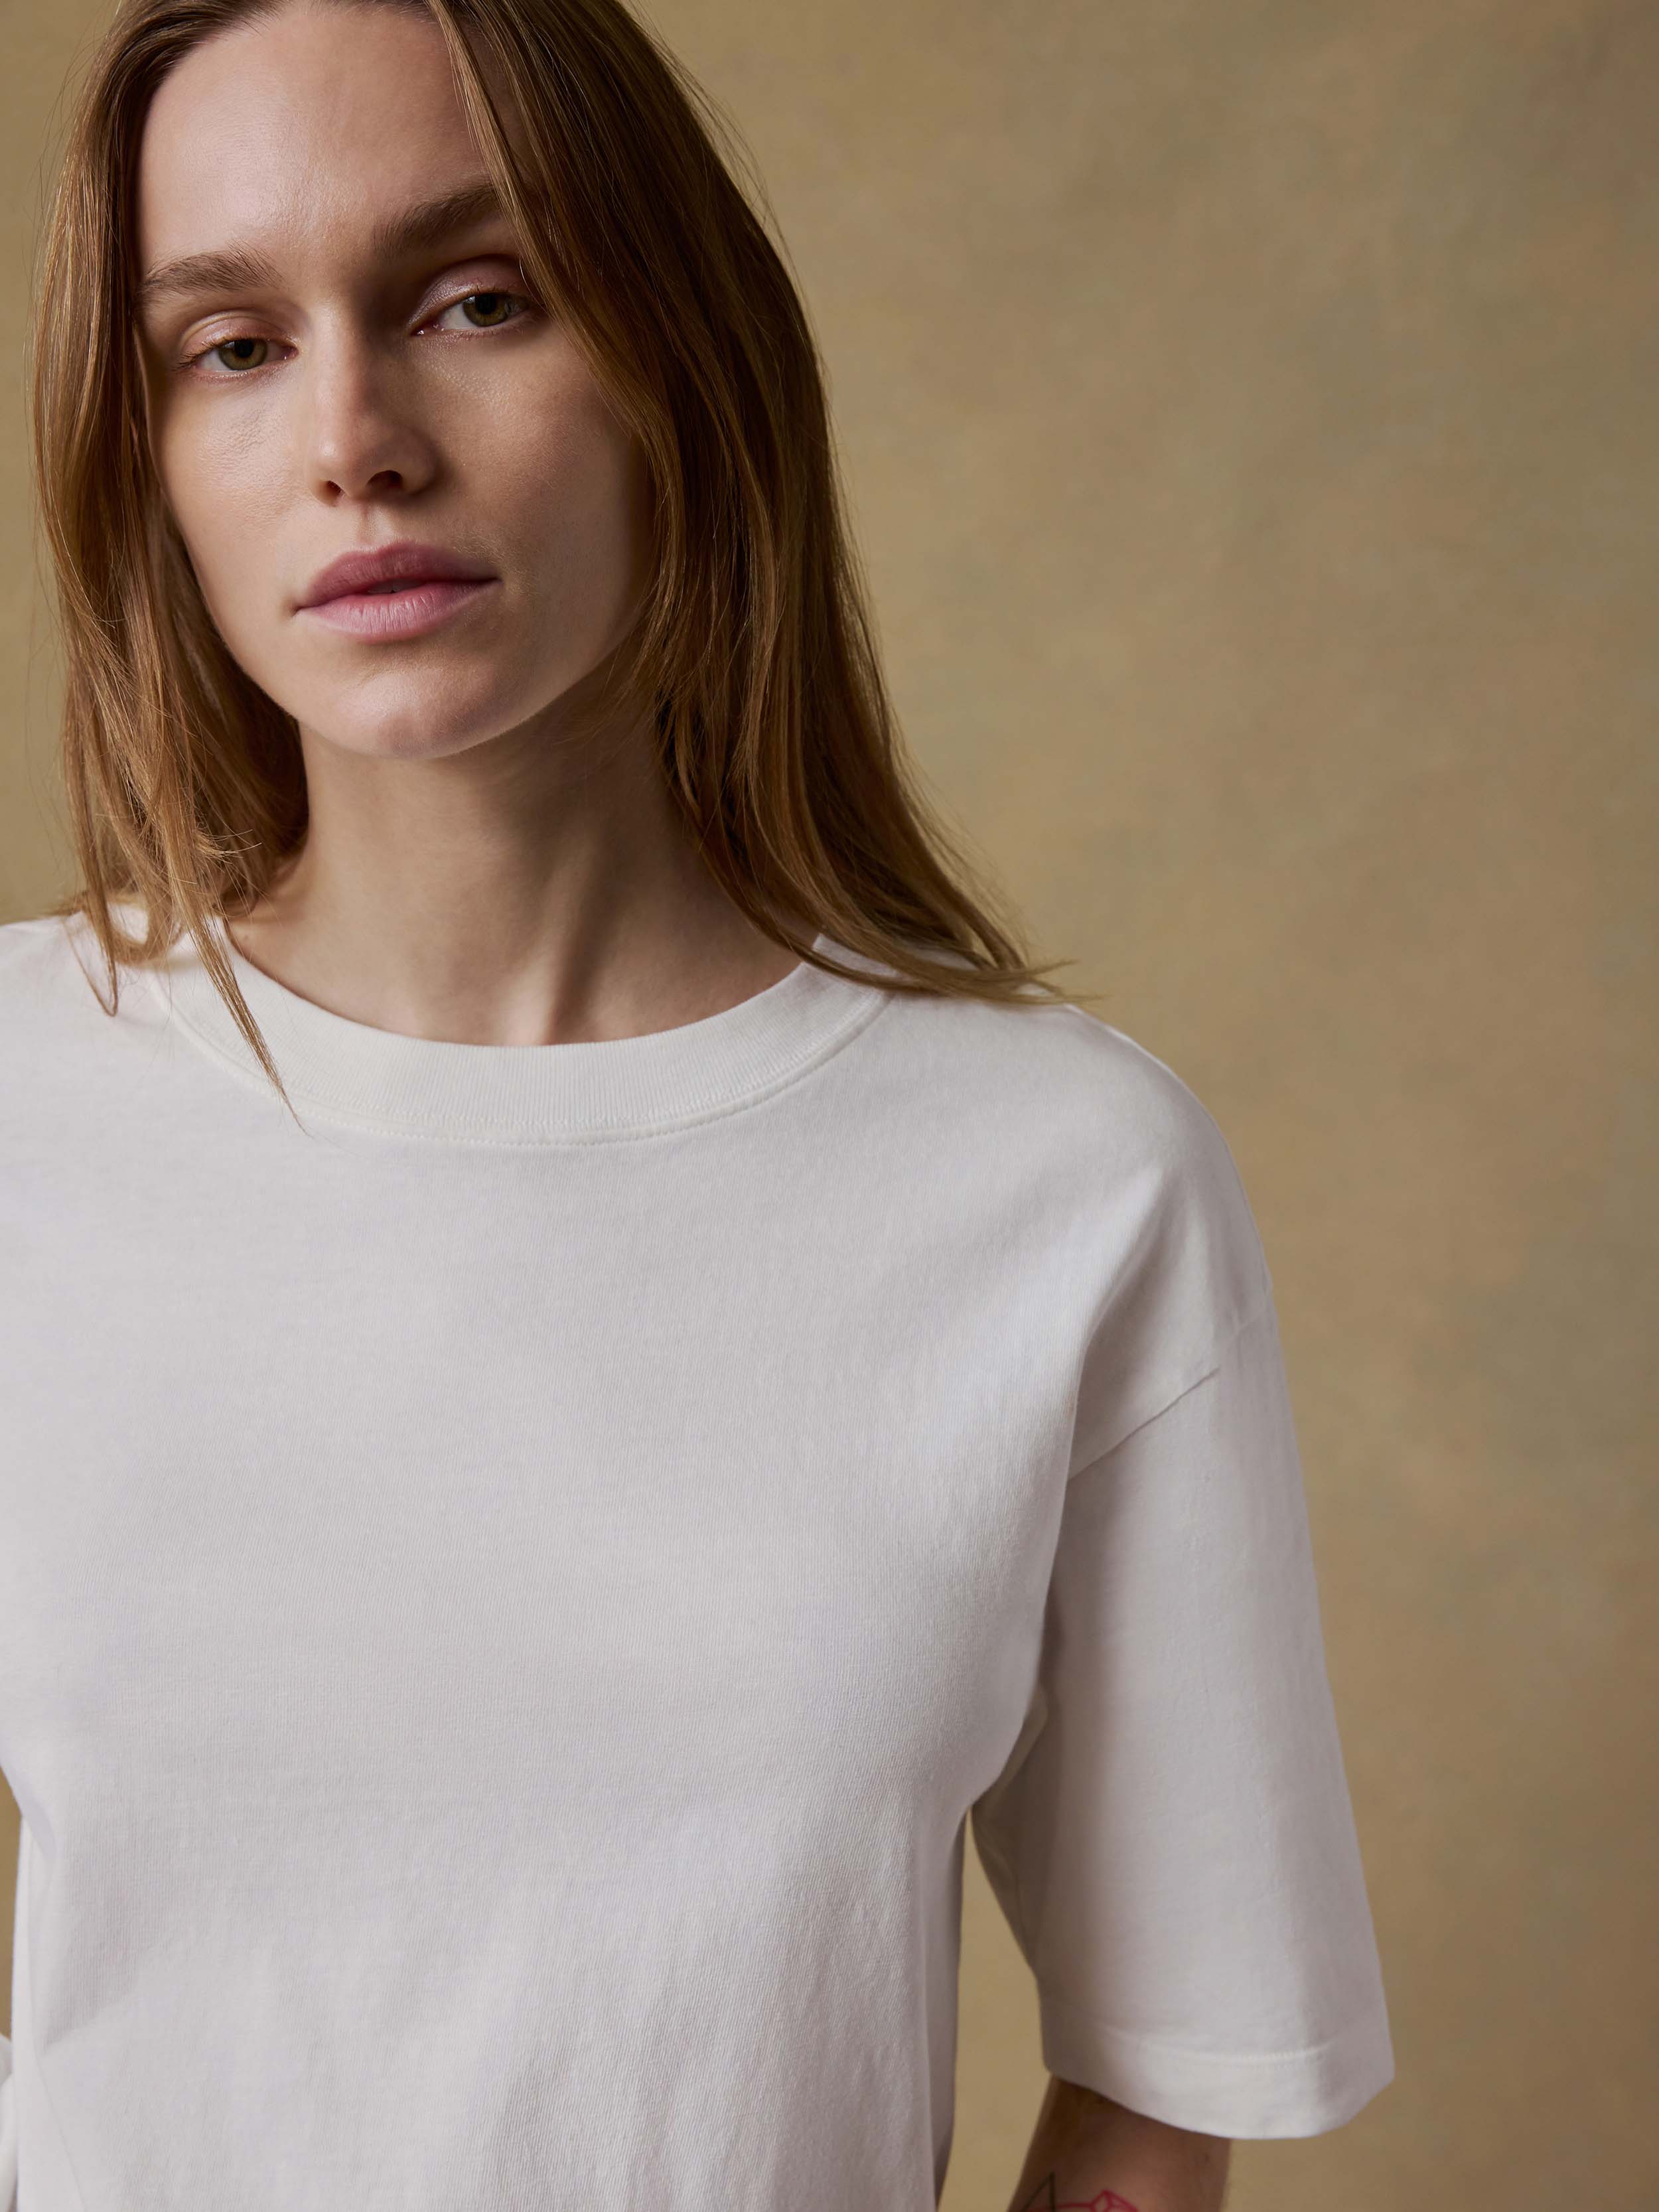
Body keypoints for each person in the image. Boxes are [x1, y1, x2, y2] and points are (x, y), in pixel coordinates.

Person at [0, 0, 1395, 2205]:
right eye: (233, 345)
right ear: (144, 453)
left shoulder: (1058, 1181)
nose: (355, 438)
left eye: (479, 297)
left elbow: (1159, 2092)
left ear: (679, 359)